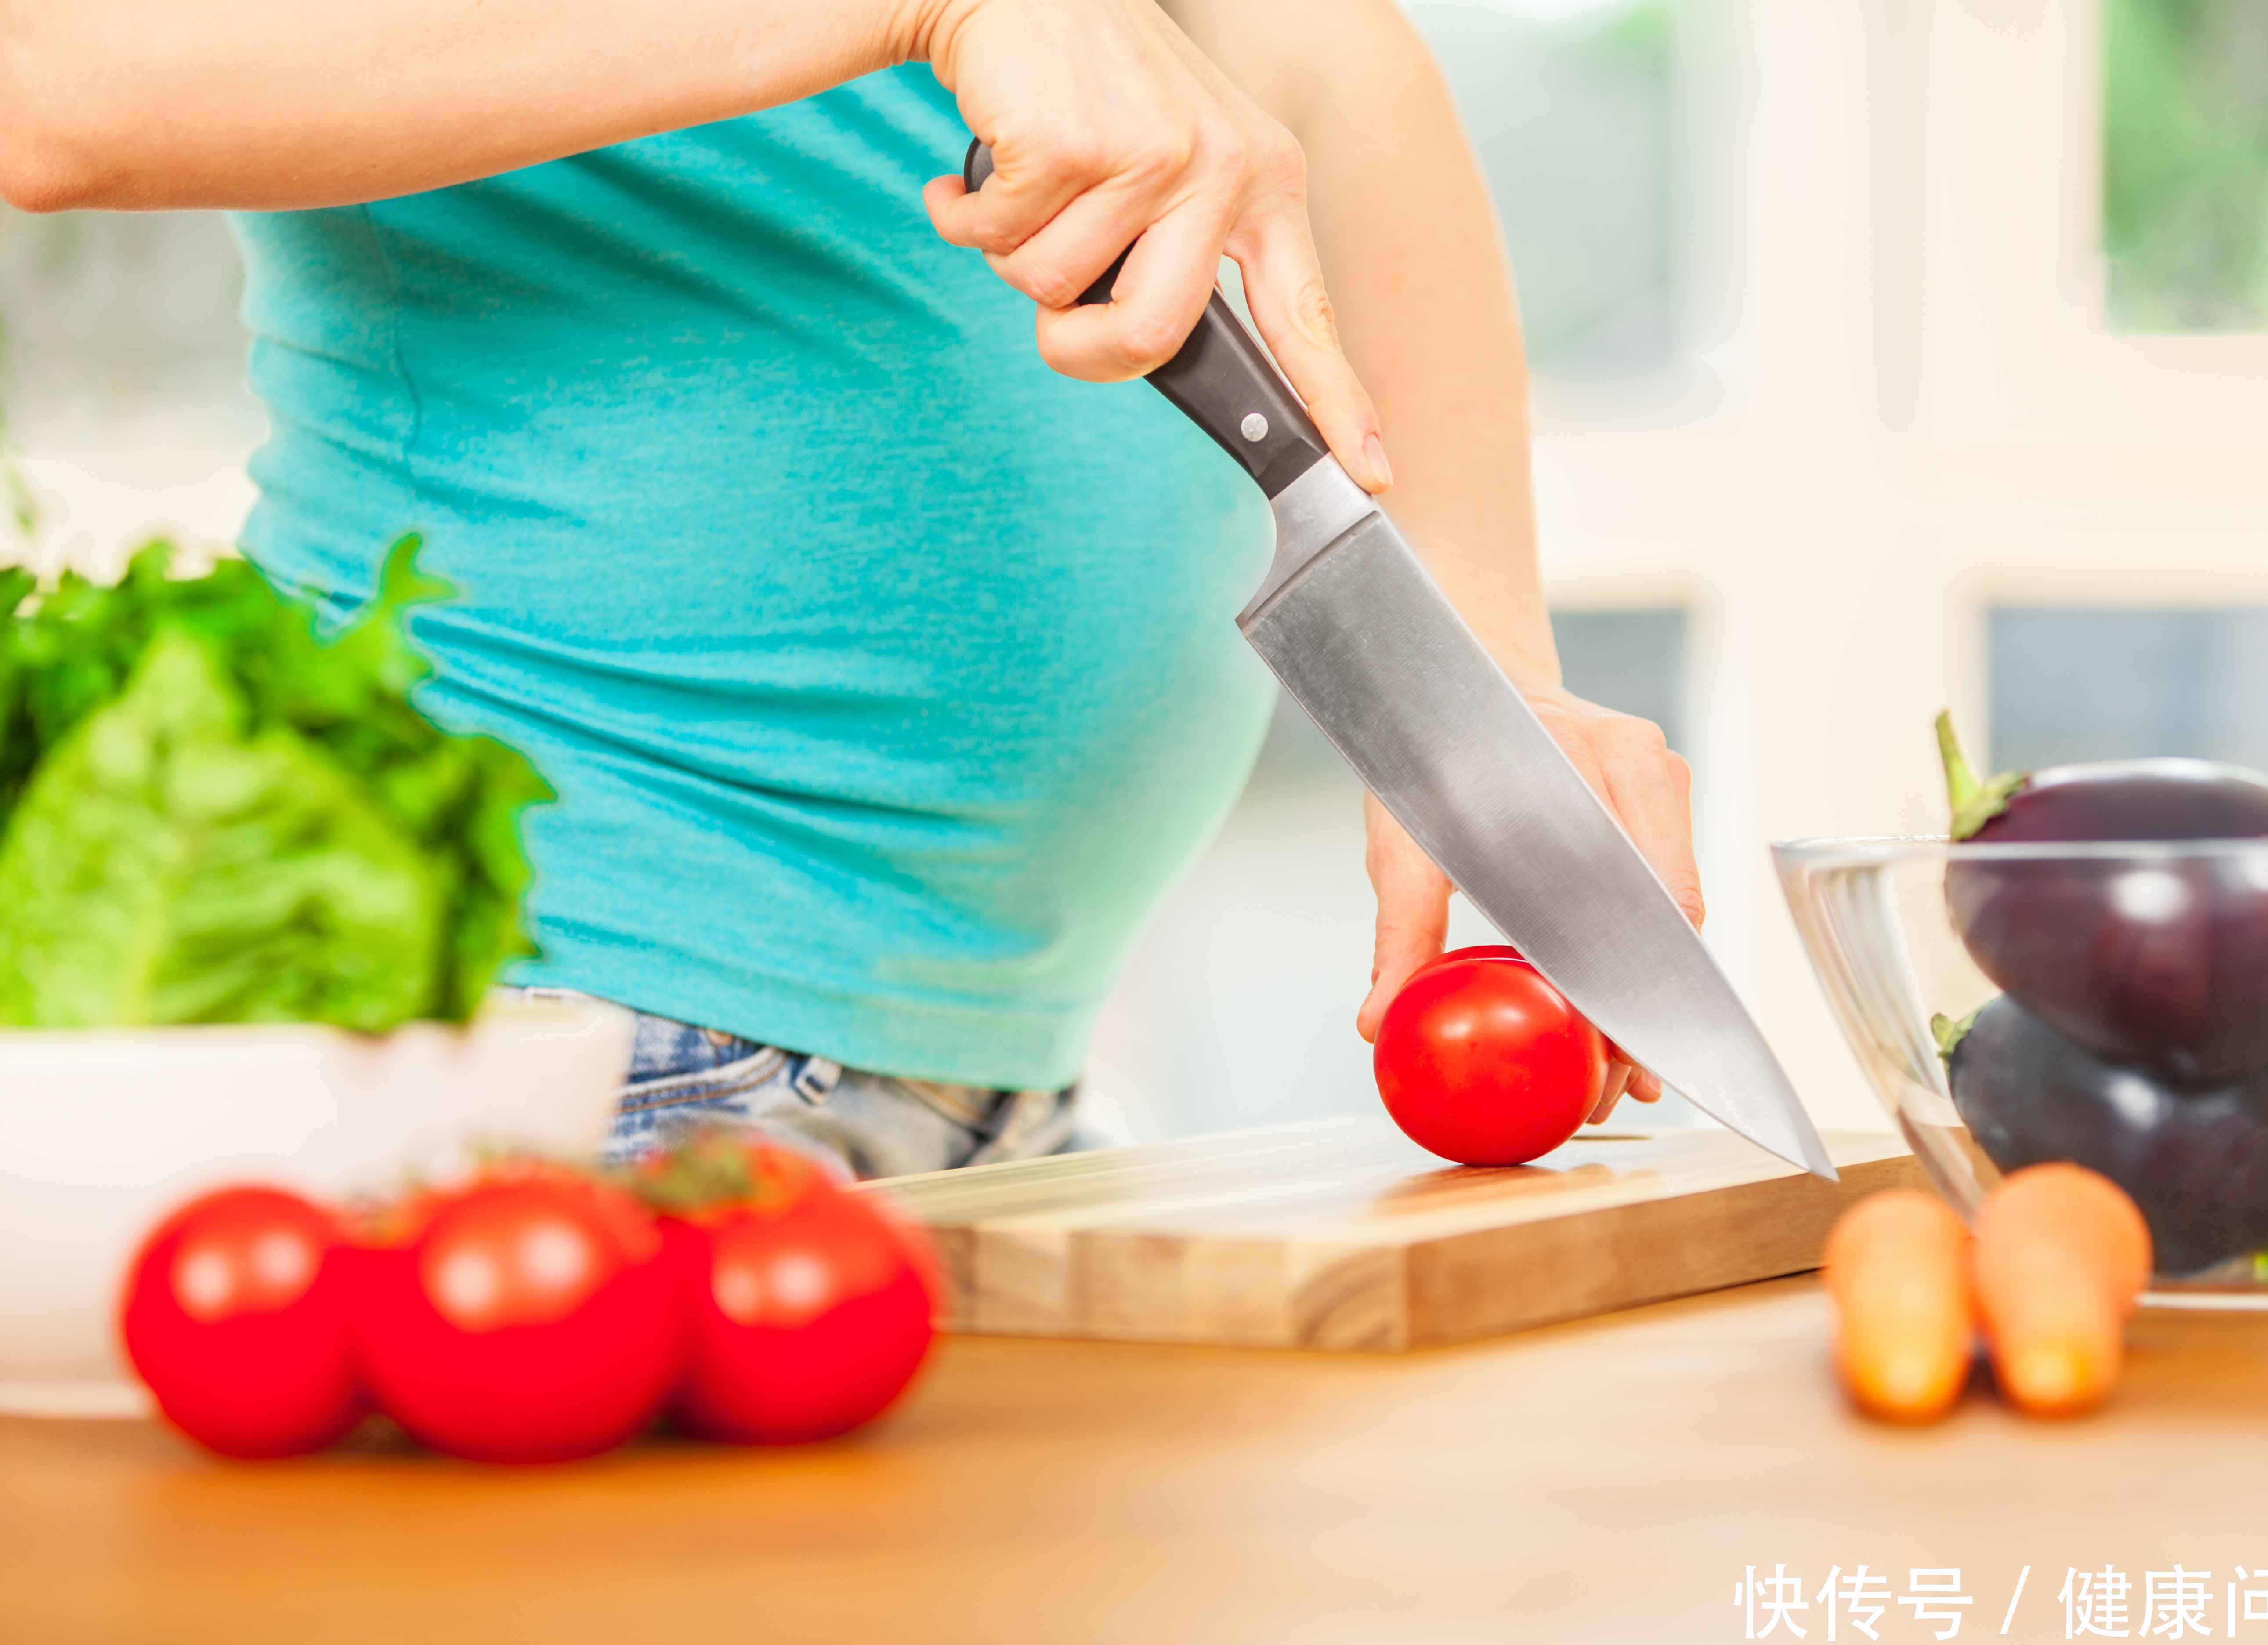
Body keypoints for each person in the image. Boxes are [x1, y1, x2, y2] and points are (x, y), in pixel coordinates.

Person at [2, 0, 1702, 1175]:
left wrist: (1483, 662)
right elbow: (67, 71)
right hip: (551, 1039)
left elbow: (1306, 52)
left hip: (998, 1067)